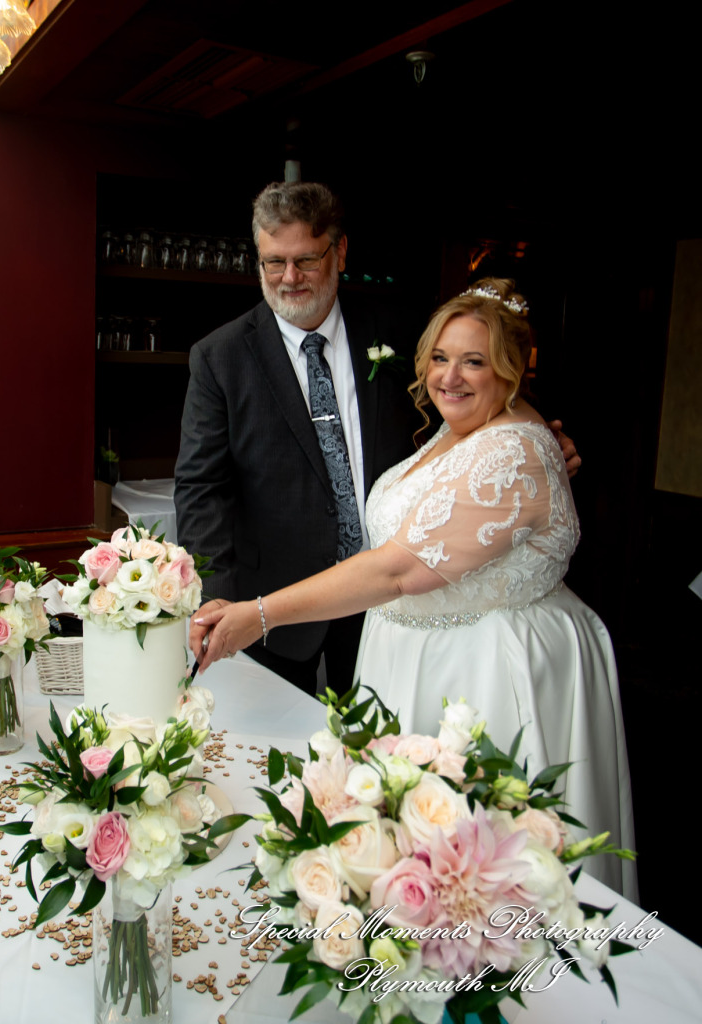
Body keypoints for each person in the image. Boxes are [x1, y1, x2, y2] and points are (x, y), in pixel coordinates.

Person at [189, 278, 636, 898]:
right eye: (441, 358)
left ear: (509, 369)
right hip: (417, 656)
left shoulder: (512, 452)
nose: (449, 376)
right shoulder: (456, 429)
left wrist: (259, 614)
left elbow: (395, 569)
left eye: (474, 361)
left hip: (484, 674)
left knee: (484, 862)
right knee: (409, 855)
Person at [175, 182, 580, 696]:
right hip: (274, 598)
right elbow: (200, 488)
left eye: (306, 259)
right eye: (273, 262)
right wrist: (218, 596)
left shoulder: (404, 330)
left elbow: (474, 400)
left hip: (399, 599)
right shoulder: (219, 356)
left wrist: (537, 440)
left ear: (340, 251)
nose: (289, 278)